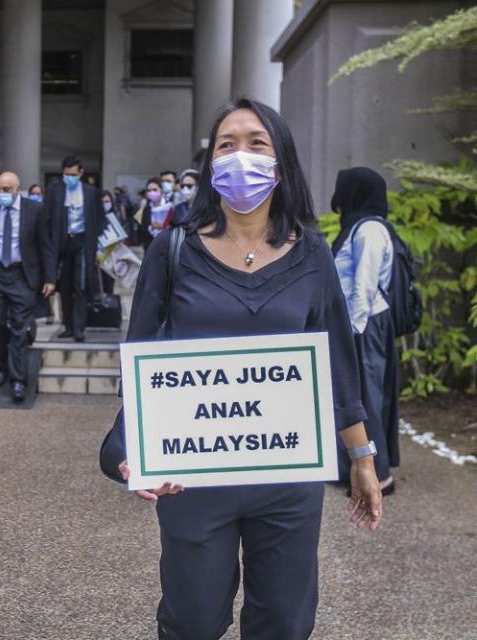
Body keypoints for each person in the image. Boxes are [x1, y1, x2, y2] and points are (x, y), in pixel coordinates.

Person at [100, 98, 383, 639]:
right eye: (226, 145)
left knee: (283, 619)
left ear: (281, 162)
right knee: (192, 620)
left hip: (288, 475)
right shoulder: (172, 249)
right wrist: (131, 449)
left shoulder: (314, 254)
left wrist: (362, 459)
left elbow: (339, 367)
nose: (240, 156)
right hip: (193, 475)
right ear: (210, 166)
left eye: (257, 143)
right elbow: (140, 360)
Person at [331, 166, 400, 495]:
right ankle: (350, 467)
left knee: (367, 400)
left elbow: (365, 286)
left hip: (365, 323)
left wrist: (353, 331)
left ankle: (381, 474)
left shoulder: (369, 230)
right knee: (352, 396)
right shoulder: (358, 227)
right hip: (357, 322)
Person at [0, 171, 56, 402]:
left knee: (20, 329)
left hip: (23, 274)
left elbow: (45, 246)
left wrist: (50, 278)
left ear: (17, 189)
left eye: (6, 189)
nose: (1, 193)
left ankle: (19, 380)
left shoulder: (35, 210)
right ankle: (1, 368)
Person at [45, 155, 105, 341]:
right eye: (66, 174)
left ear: (81, 173)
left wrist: (99, 243)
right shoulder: (54, 191)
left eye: (73, 174)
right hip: (61, 244)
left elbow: (100, 218)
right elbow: (46, 218)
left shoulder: (91, 192)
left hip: (82, 243)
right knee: (64, 287)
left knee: (80, 286)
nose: (69, 177)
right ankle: (68, 326)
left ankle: (79, 327)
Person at [134, 171, 177, 250]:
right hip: (150, 248)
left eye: (154, 189)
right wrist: (151, 227)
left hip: (168, 248)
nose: (152, 193)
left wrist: (163, 226)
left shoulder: (170, 207)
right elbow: (142, 230)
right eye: (149, 190)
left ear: (161, 190)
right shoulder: (146, 209)